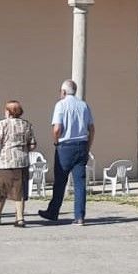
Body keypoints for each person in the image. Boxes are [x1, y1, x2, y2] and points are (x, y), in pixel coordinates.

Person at [39, 79, 94, 226]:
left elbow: (57, 128)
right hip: (81, 144)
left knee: (60, 181)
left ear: (63, 92)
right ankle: (80, 216)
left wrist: (56, 142)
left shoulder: (61, 105)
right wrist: (88, 146)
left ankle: (53, 211)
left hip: (65, 145)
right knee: (79, 183)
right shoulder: (84, 105)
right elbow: (91, 128)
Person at [0, 101, 37, 227]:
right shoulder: (27, 124)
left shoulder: (3, 124)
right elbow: (33, 144)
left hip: (6, 161)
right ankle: (19, 218)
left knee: (1, 189)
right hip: (22, 161)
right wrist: (23, 149)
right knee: (19, 190)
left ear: (8, 112)